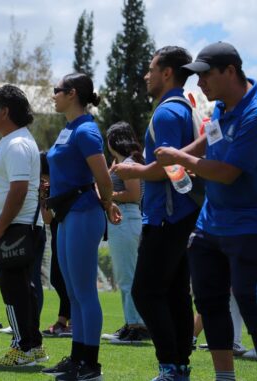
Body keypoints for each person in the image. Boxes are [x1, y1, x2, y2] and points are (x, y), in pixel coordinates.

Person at [155, 41, 257, 381]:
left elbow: (227, 172)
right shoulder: (221, 109)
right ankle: (224, 378)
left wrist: (180, 158)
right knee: (209, 301)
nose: (200, 85)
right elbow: (208, 142)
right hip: (211, 222)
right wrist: (177, 153)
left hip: (252, 223)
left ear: (231, 71)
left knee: (249, 299)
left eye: (205, 77)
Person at [112, 46, 200, 381]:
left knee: (145, 292)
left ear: (167, 73)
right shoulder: (185, 107)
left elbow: (170, 168)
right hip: (183, 214)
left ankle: (169, 367)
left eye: (151, 69)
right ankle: (179, 366)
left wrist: (134, 171)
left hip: (166, 217)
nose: (146, 75)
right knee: (176, 293)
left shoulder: (166, 113)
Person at [40, 73, 120, 381]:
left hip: (84, 212)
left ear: (72, 94)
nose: (54, 95)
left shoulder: (86, 130)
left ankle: (91, 365)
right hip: (65, 214)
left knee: (85, 292)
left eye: (57, 91)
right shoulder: (68, 129)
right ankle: (77, 358)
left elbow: (102, 177)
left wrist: (108, 203)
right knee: (72, 291)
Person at [0, 84, 46, 367]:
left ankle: (23, 347)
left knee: (14, 290)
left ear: (5, 111)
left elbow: (18, 191)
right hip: (15, 227)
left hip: (17, 228)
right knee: (23, 289)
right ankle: (34, 346)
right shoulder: (10, 141)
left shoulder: (18, 144)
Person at [101, 122, 148, 344]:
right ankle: (132, 322)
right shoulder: (122, 163)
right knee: (125, 275)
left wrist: (109, 195)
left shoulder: (128, 164)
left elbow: (133, 194)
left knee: (128, 276)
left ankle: (137, 326)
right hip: (122, 219)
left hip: (126, 217)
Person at [40, 153, 72, 338]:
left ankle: (72, 321)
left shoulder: (61, 184)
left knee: (66, 278)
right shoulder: (49, 187)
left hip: (67, 231)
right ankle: (62, 319)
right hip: (56, 234)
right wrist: (44, 195)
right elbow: (46, 219)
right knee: (56, 278)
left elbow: (50, 216)